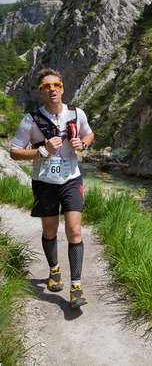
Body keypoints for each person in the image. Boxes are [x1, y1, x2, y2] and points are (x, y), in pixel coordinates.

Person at [10, 68, 94, 308]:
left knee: (74, 231)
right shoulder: (31, 120)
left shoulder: (77, 114)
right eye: (47, 86)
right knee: (50, 231)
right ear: (40, 91)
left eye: (56, 84)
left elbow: (90, 135)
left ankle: (76, 286)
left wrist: (83, 145)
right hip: (45, 183)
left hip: (71, 180)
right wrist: (41, 151)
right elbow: (14, 152)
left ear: (63, 88)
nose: (52, 89)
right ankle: (54, 270)